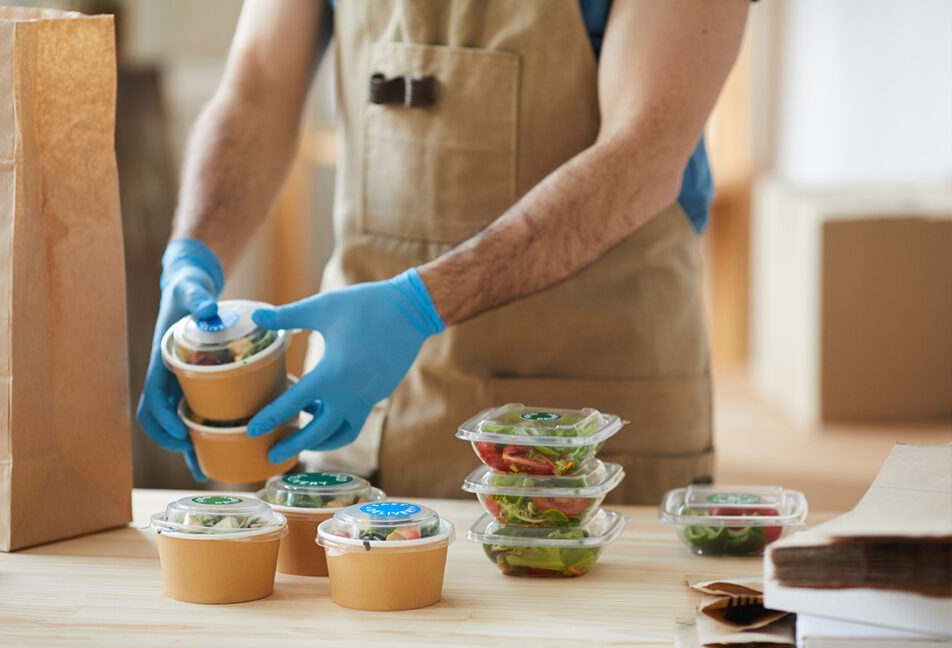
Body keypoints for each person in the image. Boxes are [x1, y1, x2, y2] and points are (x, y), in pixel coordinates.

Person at [138, 0, 750, 503]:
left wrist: (417, 305)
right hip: (370, 418)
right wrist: (192, 255)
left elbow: (641, 156)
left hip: (583, 428)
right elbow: (256, 88)